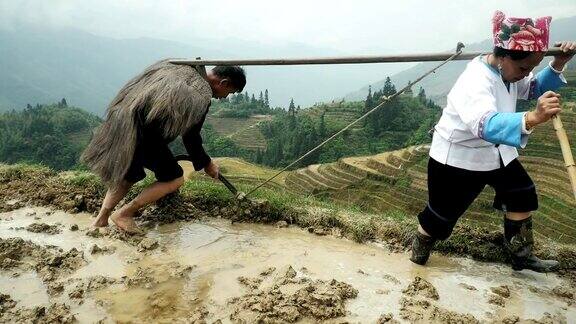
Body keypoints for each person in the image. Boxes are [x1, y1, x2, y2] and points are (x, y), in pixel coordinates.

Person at [409, 10, 575, 272]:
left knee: (521, 193)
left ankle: (521, 256)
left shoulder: (508, 73)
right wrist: (533, 117)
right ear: (504, 56)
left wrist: (557, 65)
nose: (526, 73)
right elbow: (485, 124)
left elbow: (531, 88)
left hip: (496, 152)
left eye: (530, 68)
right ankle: (417, 255)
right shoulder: (475, 79)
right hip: (459, 157)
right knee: (440, 218)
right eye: (523, 68)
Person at [81, 60, 246, 233]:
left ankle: (101, 220)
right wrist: (207, 164)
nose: (224, 97)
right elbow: (191, 137)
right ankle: (125, 213)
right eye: (229, 92)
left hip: (120, 124)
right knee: (174, 177)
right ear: (224, 83)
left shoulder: (177, 69)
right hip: (143, 133)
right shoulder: (201, 93)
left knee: (127, 176)